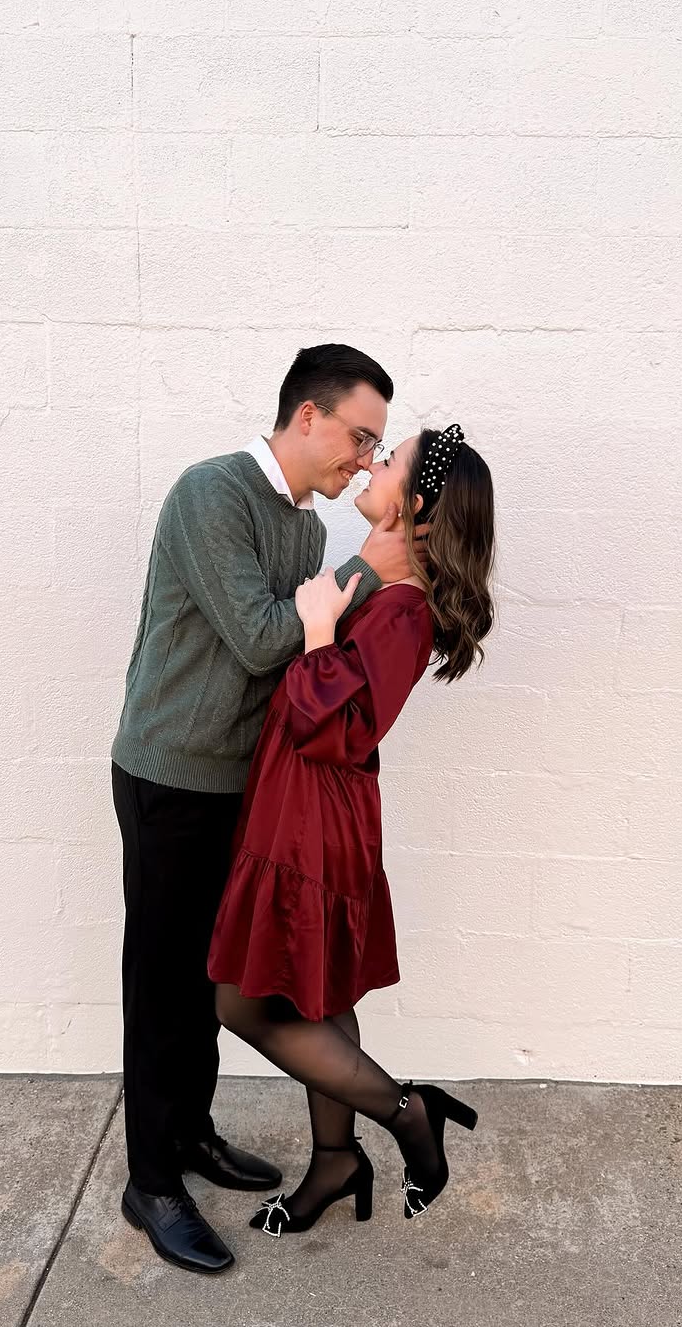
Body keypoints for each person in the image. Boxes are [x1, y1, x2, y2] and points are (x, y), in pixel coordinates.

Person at [110, 344, 429, 1275]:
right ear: (307, 416)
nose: (364, 460)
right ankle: (151, 1181)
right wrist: (371, 565)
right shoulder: (211, 493)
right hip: (172, 776)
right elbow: (260, 640)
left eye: (377, 446)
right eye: (359, 436)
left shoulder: (301, 526)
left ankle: (191, 1132)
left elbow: (305, 657)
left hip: (239, 790)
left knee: (215, 979)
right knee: (162, 986)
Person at [207, 422, 495, 1237]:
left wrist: (319, 626)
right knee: (320, 996)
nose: (372, 462)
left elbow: (334, 729)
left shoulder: (403, 612)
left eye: (390, 459)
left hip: (314, 817)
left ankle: (408, 1112)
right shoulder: (382, 589)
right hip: (299, 805)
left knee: (242, 1003)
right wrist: (338, 603)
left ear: (418, 508)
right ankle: (336, 1159)